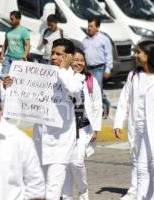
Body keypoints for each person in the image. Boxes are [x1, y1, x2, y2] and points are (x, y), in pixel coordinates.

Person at [113, 40, 154, 200]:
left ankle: (144, 190)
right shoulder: (133, 76)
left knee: (146, 161)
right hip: (136, 125)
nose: (136, 55)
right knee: (138, 159)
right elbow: (124, 99)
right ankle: (141, 190)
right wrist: (118, 122)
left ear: (149, 55)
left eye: (139, 52)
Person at [33, 38, 85, 200]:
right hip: (41, 136)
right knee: (39, 184)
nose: (53, 57)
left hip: (61, 139)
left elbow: (73, 89)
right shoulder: (43, 74)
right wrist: (11, 85)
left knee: (53, 186)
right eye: (52, 54)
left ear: (69, 57)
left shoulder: (76, 77)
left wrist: (62, 69)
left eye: (58, 54)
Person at [61, 48, 103, 200]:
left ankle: (83, 193)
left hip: (84, 128)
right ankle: (66, 197)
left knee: (77, 162)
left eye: (81, 60)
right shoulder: (64, 77)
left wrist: (96, 129)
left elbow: (97, 104)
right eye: (76, 59)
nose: (78, 63)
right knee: (66, 164)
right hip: (66, 129)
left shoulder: (90, 79)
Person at [81, 17, 112, 118]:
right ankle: (94, 109)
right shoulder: (84, 40)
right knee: (89, 89)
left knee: (97, 89)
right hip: (88, 69)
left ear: (97, 27)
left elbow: (108, 54)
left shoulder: (103, 39)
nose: (89, 28)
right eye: (88, 26)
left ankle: (104, 107)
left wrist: (108, 69)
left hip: (99, 68)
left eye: (92, 26)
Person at [0, 10, 30, 74]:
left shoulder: (24, 31)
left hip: (18, 58)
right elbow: (5, 43)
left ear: (18, 19)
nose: (10, 21)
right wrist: (2, 55)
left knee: (15, 78)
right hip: (8, 57)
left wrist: (24, 56)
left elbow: (28, 45)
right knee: (4, 76)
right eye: (10, 19)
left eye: (12, 19)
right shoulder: (8, 29)